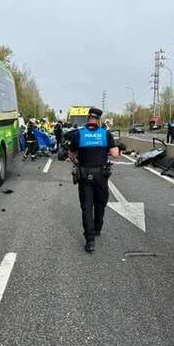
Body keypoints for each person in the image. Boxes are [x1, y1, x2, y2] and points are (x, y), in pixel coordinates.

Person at [68, 107, 119, 253]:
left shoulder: (78, 134)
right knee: (100, 203)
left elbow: (71, 154)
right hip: (101, 177)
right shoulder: (105, 134)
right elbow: (115, 154)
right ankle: (98, 228)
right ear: (99, 120)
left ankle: (90, 241)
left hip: (84, 176)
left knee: (86, 207)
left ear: (87, 119)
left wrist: (77, 163)